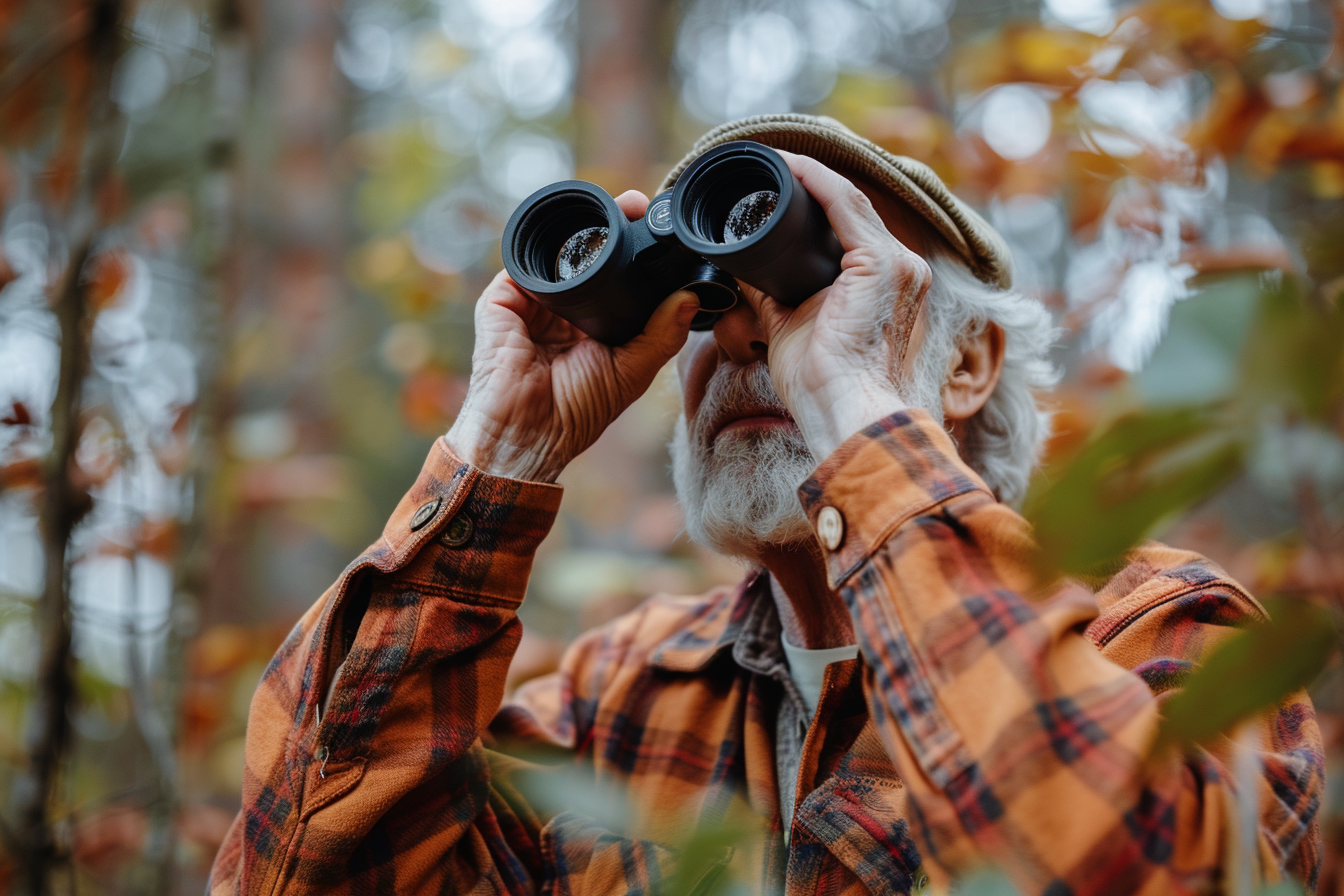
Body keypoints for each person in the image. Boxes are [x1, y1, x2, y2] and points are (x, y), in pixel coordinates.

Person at [208, 114, 1322, 895]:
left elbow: (1151, 870)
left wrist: (855, 405)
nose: (749, 333)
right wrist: (502, 450)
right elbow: (299, 872)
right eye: (707, 304)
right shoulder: (614, 699)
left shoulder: (1160, 628)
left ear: (971, 361)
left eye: (818, 284)